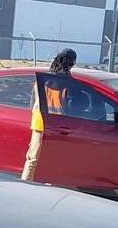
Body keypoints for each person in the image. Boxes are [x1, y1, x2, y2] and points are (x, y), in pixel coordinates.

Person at [21, 48, 77, 181]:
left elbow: (32, 104)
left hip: (39, 124)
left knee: (32, 159)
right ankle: (51, 189)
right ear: (70, 64)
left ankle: (25, 184)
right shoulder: (69, 84)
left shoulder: (40, 81)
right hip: (59, 128)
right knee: (56, 162)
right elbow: (71, 108)